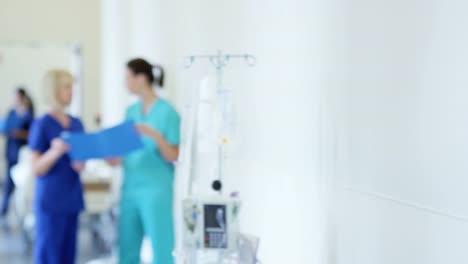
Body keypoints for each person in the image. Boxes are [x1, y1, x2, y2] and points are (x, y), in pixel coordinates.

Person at [108, 58, 180, 264]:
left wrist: (154, 135)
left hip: (156, 190)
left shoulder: (167, 112)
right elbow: (124, 151)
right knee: (127, 250)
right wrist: (111, 157)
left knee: (162, 249)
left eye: (127, 78)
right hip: (130, 189)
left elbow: (174, 156)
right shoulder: (131, 112)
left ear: (141, 78)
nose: (125, 83)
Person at [29, 70, 85, 264]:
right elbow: (36, 168)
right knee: (49, 256)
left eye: (72, 87)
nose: (72, 92)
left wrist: (80, 163)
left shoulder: (77, 123)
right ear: (54, 91)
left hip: (72, 198)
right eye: (67, 87)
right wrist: (54, 152)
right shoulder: (42, 124)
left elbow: (80, 163)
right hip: (50, 202)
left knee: (68, 256)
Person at [1, 87, 35, 221]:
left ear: (22, 97)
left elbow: (32, 134)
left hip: (22, 152)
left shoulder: (28, 114)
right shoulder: (11, 113)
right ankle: (3, 209)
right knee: (8, 181)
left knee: (22, 183)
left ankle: (22, 213)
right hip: (10, 149)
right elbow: (6, 128)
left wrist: (19, 133)